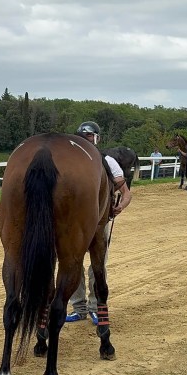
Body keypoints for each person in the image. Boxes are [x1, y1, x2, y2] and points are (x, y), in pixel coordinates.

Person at [67, 121, 132, 324]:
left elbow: (126, 193)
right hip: (74, 224)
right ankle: (79, 308)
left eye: (90, 136)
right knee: (73, 265)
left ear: (97, 139)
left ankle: (95, 307)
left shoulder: (107, 161)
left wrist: (120, 207)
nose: (87, 140)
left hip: (99, 223)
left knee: (98, 266)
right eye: (83, 136)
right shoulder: (70, 161)